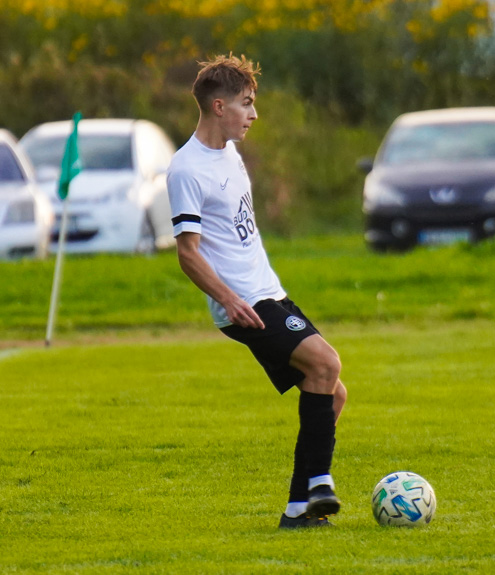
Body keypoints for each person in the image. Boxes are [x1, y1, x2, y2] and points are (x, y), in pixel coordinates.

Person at [166, 53, 347, 529]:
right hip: (246, 304)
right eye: (247, 104)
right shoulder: (186, 170)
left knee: (333, 395)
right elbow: (188, 252)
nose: (254, 115)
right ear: (219, 105)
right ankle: (320, 483)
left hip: (270, 293)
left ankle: (297, 511)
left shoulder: (228, 152)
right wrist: (228, 298)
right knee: (326, 363)